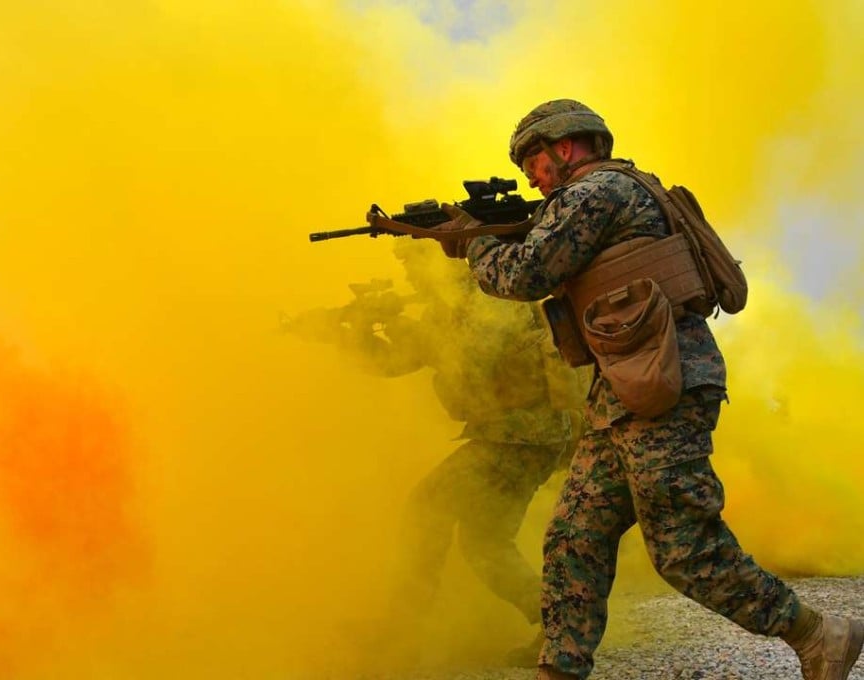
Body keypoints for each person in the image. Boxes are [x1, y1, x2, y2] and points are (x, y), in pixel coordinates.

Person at [431, 98, 864, 680]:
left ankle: (818, 634)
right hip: (626, 392)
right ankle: (559, 668)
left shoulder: (596, 194)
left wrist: (476, 243)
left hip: (662, 385)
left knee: (683, 547)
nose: (528, 178)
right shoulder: (617, 192)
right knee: (572, 537)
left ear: (564, 148)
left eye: (531, 162)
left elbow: (524, 274)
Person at [283, 238, 590, 667]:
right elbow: (393, 363)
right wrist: (352, 333)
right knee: (485, 542)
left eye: (414, 267)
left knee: (425, 508)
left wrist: (405, 327)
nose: (410, 278)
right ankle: (559, 629)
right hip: (517, 436)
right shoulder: (449, 309)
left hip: (521, 435)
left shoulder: (488, 296)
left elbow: (473, 358)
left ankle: (402, 631)